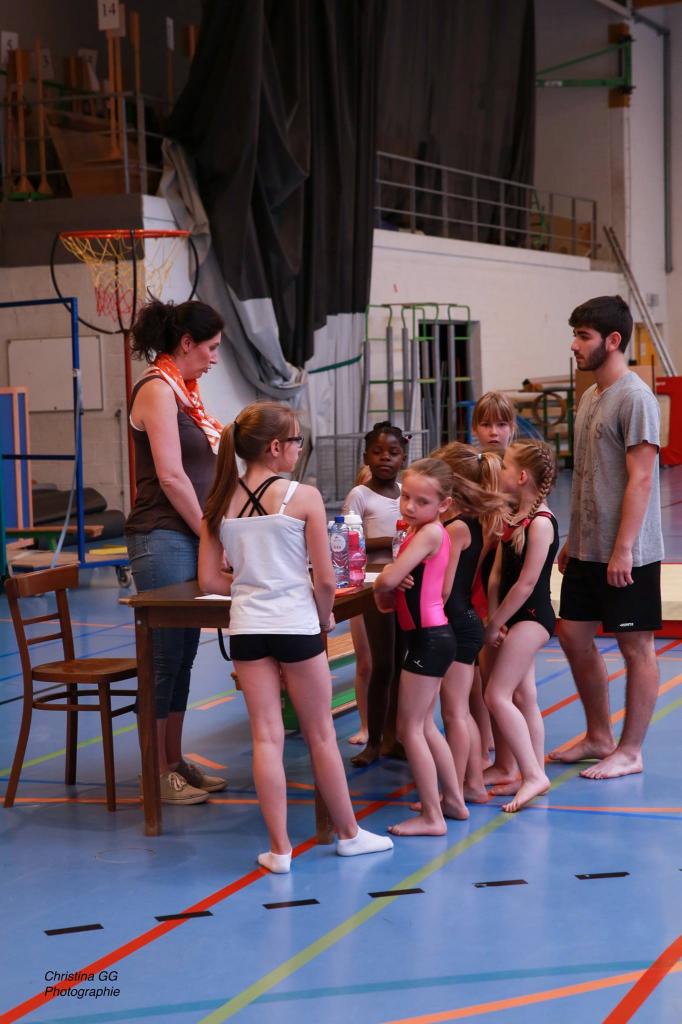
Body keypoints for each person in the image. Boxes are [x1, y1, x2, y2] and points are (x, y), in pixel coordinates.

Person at [198, 401, 393, 872]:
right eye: (297, 441)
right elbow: (325, 580)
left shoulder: (219, 501)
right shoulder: (302, 496)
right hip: (296, 624)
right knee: (321, 734)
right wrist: (323, 618)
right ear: (275, 447)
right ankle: (349, 834)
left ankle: (279, 849)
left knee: (267, 738)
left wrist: (251, 585)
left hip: (248, 629)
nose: (299, 448)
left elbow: (209, 580)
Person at [550, 295, 663, 779]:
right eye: (575, 335)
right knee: (572, 635)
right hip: (588, 548)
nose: (574, 345)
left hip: (628, 553)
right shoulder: (590, 396)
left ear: (612, 341)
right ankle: (599, 735)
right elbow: (589, 475)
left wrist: (623, 550)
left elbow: (641, 479)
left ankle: (630, 750)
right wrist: (574, 538)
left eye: (583, 336)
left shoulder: (635, 398)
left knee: (636, 647)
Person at [125, 299, 227, 805]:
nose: (214, 359)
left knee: (184, 655)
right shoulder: (156, 390)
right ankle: (156, 771)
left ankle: (174, 760)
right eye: (210, 348)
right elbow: (170, 476)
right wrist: (210, 534)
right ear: (187, 343)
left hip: (187, 533)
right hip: (162, 535)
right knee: (164, 656)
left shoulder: (186, 393)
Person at [374, 458, 468, 835]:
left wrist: (387, 577)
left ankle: (432, 816)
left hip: (429, 638)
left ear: (444, 505)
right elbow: (391, 594)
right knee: (426, 726)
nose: (410, 506)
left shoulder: (430, 533)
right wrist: (392, 582)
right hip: (428, 637)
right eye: (406, 497)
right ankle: (453, 801)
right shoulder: (419, 532)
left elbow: (387, 581)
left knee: (409, 729)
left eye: (421, 501)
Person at [484, 440, 558, 813]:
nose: (501, 471)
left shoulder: (541, 523)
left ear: (522, 476)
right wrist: (494, 618)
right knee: (524, 696)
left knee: (496, 696)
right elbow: (497, 577)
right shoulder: (512, 516)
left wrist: (496, 622)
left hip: (532, 617)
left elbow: (526, 584)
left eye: (506, 466)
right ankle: (533, 771)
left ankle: (532, 774)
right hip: (510, 617)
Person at [432, 443, 508, 804]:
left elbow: (444, 588)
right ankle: (473, 783)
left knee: (455, 713)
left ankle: (458, 790)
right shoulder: (473, 522)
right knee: (459, 711)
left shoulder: (456, 528)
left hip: (457, 622)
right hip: (464, 620)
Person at [343, 422, 409, 767]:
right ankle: (374, 740)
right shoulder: (360, 495)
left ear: (403, 458)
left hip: (406, 583)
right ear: (366, 456)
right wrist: (393, 541)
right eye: (378, 451)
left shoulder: (406, 493)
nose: (385, 458)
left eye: (393, 452)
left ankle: (394, 738)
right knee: (382, 664)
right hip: (373, 585)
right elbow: (347, 542)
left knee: (401, 664)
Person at [345, 464, 373, 745]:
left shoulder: (399, 499)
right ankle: (366, 725)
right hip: (362, 587)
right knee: (365, 663)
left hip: (390, 586)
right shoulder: (356, 504)